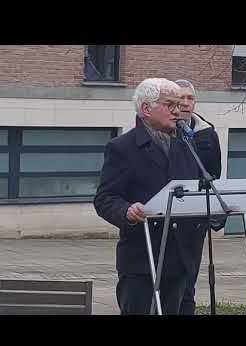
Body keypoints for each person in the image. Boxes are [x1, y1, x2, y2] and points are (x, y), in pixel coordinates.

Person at [93, 78, 207, 315]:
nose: (178, 111)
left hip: (179, 259)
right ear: (147, 109)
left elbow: (194, 191)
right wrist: (127, 211)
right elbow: (105, 198)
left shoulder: (186, 146)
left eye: (179, 104)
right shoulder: (122, 148)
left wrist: (213, 211)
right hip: (142, 260)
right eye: (170, 105)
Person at [175, 79, 223, 315]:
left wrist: (213, 216)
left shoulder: (206, 134)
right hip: (165, 220)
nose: (185, 103)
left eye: (190, 98)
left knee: (187, 286)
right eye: (180, 98)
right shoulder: (162, 131)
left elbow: (214, 175)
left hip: (193, 224)